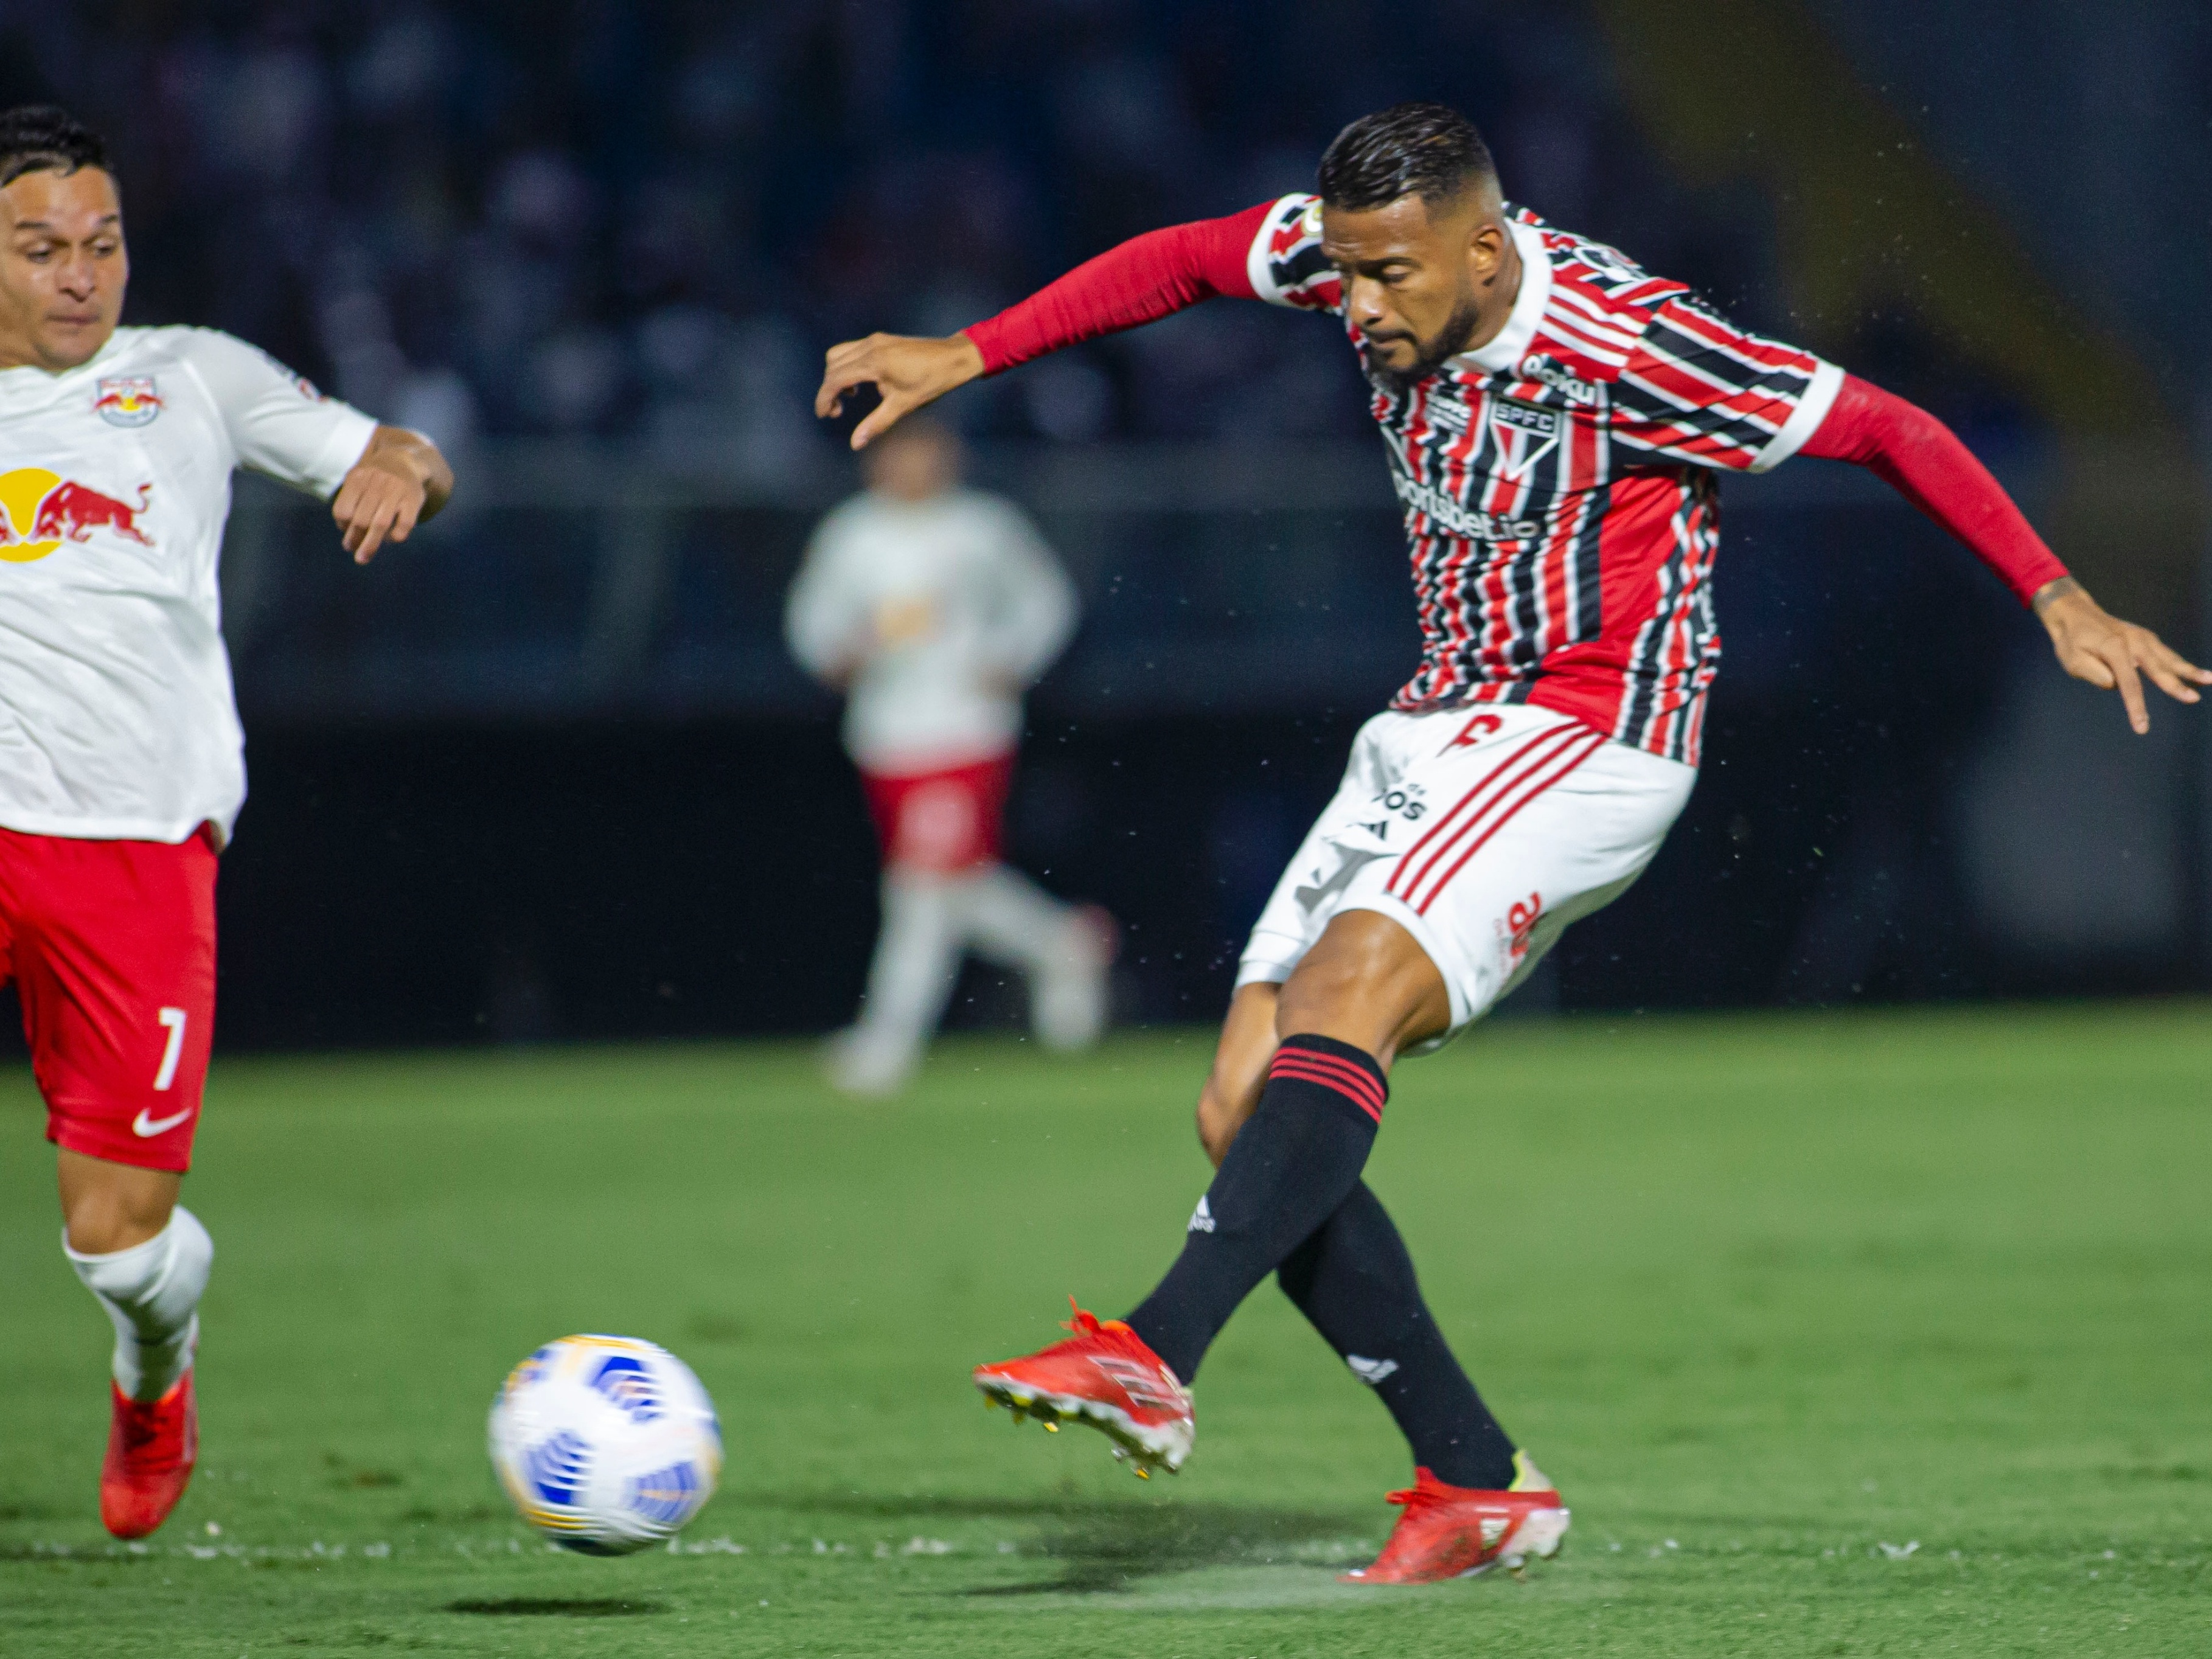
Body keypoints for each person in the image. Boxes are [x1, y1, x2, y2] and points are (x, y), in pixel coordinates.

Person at [816, 102, 2207, 1584]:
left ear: (1483, 251)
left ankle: (1155, 1348)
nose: (1353, 305)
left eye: (1387, 278)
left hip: (1592, 730)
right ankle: (1476, 1480)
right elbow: (1184, 262)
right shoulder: (1357, 254)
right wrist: (967, 350)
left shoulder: (1629, 340)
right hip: (1437, 725)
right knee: (1243, 1106)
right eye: (1342, 272)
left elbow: (1885, 425)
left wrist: (2052, 592)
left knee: (1343, 987)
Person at [0, 107, 453, 1539]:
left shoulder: (189, 377)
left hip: (136, 849)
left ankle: (155, 1374)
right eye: (40, 249)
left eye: (103, 243)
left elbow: (402, 445)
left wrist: (399, 468)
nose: (82, 275)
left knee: (120, 1244)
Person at [786, 416, 1113, 1096]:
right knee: (950, 882)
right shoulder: (853, 535)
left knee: (922, 889)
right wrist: (836, 655)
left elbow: (1046, 603)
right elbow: (812, 621)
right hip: (885, 731)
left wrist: (1009, 662)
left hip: (966, 727)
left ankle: (887, 1045)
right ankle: (1061, 943)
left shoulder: (983, 527)